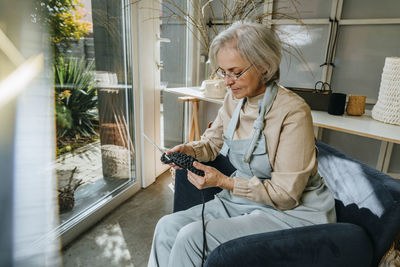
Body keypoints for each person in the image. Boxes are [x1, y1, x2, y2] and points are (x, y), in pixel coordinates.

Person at [148, 21, 336, 267]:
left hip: (293, 212)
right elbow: (212, 143)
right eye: (223, 72)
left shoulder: (293, 112)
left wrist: (223, 182)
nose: (227, 81)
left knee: (190, 238)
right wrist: (189, 150)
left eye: (236, 73)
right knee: (167, 226)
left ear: (265, 65)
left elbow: (287, 196)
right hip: (246, 201)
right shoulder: (233, 99)